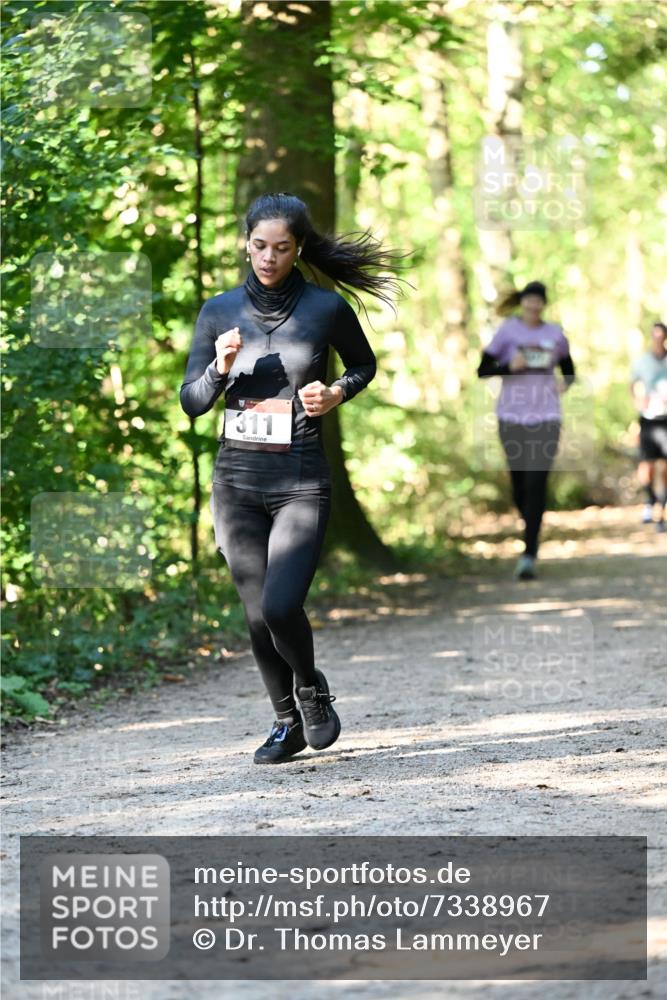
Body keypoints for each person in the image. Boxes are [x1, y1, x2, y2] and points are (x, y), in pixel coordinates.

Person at [180, 192, 409, 764]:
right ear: (246, 242)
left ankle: (310, 689)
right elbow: (192, 403)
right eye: (259, 245)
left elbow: (364, 365)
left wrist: (336, 392)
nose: (268, 257)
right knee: (257, 615)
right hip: (236, 485)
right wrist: (219, 368)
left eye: (282, 248)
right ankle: (286, 721)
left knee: (282, 607)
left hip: (300, 482)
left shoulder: (324, 309)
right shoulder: (217, 312)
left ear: (298, 248)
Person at [477, 280, 576, 580]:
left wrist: (564, 383)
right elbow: (482, 370)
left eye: (539, 301)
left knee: (536, 482)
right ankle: (529, 522)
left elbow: (570, 370)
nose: (534, 306)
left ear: (544, 304)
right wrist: (509, 367)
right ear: (523, 302)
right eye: (529, 300)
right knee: (519, 483)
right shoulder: (508, 331)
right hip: (512, 417)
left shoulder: (555, 334)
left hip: (547, 417)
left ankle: (529, 554)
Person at [630, 321, 667, 533]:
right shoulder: (642, 362)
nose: (658, 339)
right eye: (655, 335)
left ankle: (662, 510)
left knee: (665, 467)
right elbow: (632, 384)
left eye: (662, 335)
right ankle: (649, 500)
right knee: (647, 467)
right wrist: (638, 400)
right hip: (648, 419)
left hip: (666, 419)